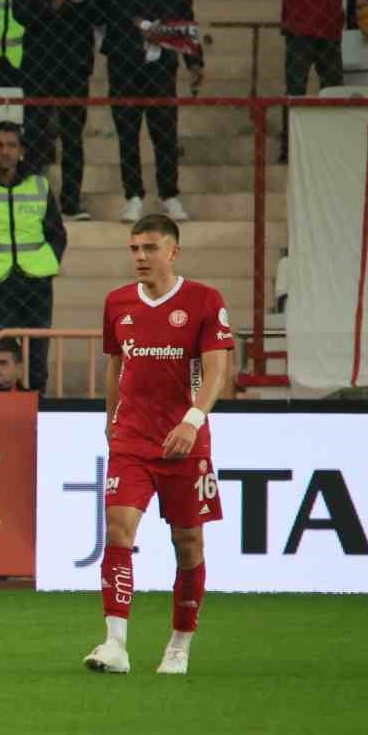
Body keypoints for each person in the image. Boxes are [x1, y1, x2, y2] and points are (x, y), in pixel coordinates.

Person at [86, 213, 233, 676]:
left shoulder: (204, 301)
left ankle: (179, 644)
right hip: (132, 439)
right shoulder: (117, 302)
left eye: (150, 248)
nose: (141, 257)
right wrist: (110, 420)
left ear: (174, 251)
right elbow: (116, 364)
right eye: (134, 249)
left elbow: (217, 370)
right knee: (118, 529)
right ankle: (115, 644)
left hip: (184, 443)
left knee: (188, 543)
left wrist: (192, 421)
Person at [0, 121, 68, 393]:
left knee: (37, 351)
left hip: (37, 281)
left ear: (21, 150)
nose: (5, 151)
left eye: (11, 145)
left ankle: (37, 401)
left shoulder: (39, 185)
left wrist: (49, 264)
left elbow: (57, 233)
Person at [102, 0, 204, 223]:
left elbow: (184, 12)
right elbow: (116, 3)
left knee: (165, 129)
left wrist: (194, 59)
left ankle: (169, 194)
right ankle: (133, 197)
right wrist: (144, 27)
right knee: (127, 128)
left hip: (163, 59)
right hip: (125, 56)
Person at [16, 0, 104, 220]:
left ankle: (71, 202)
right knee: (35, 133)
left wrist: (86, 0)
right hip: (38, 65)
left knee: (72, 136)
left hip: (75, 65)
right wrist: (55, 1)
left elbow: (103, 14)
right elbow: (21, 14)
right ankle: (32, 200)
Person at [279, 0, 348, 161]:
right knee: (296, 90)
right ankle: (291, 148)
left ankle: (331, 147)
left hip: (328, 20)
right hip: (301, 21)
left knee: (333, 91)